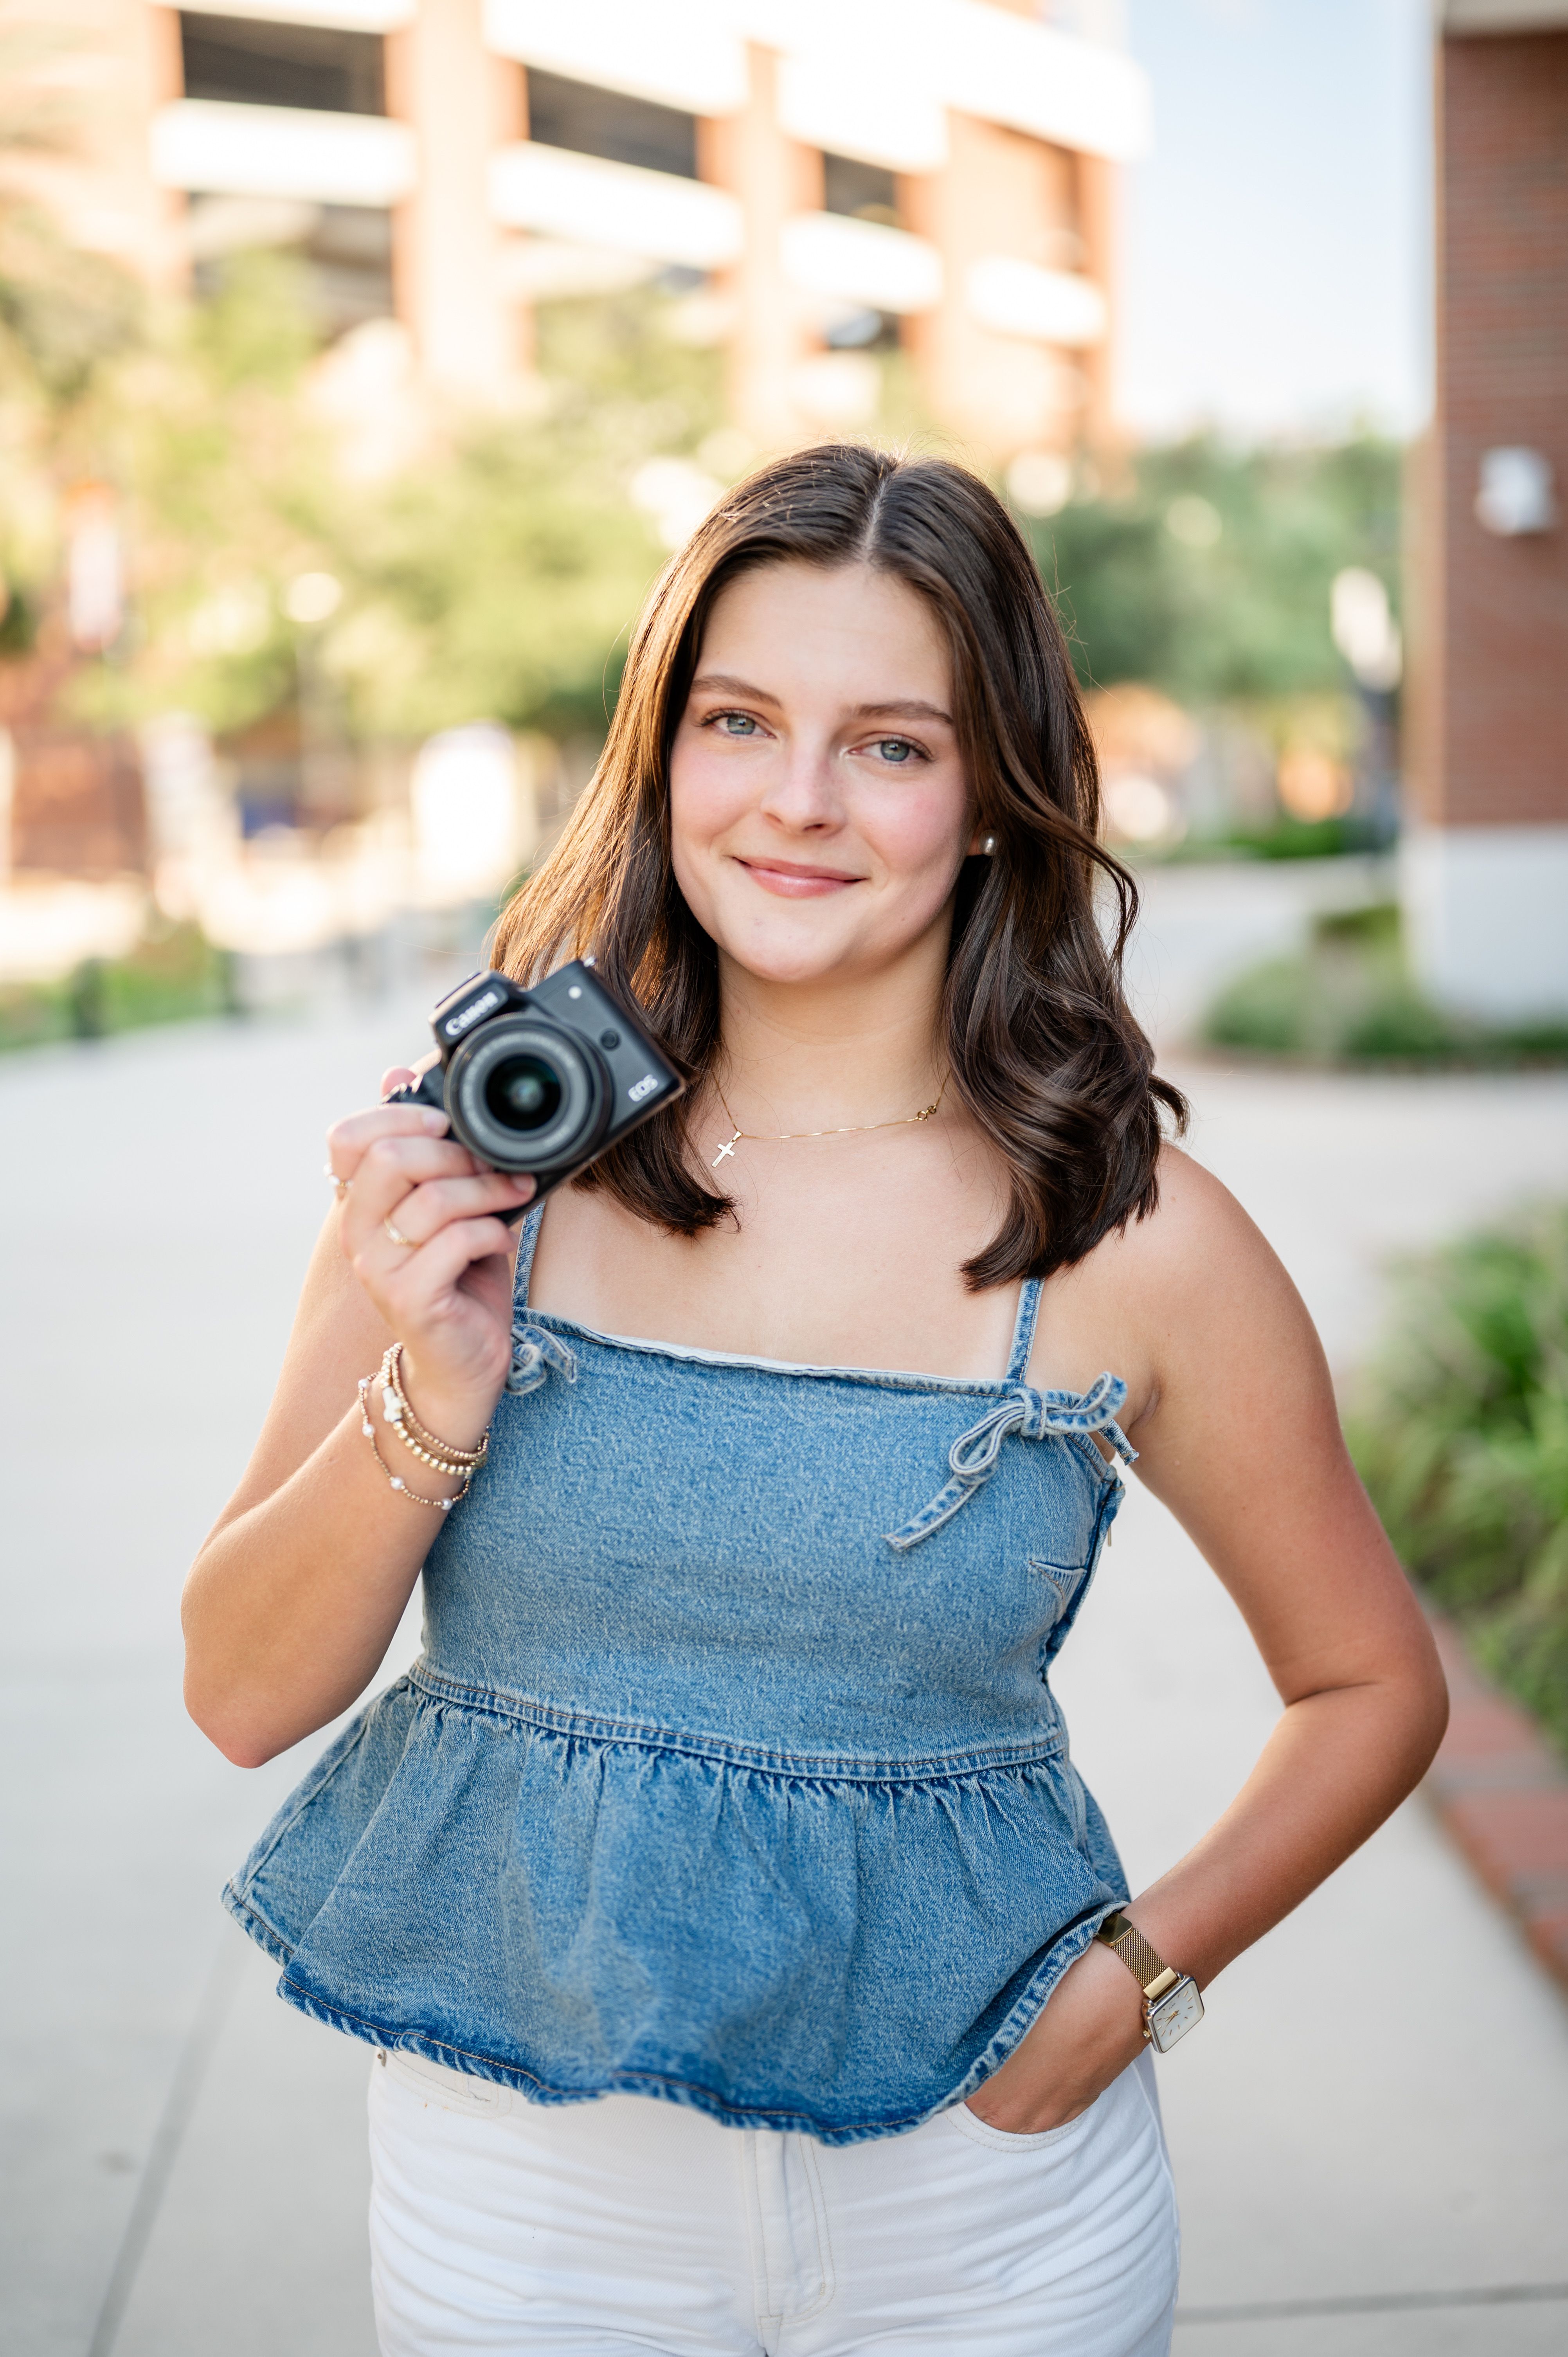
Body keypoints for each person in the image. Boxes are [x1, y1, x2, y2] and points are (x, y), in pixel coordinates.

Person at [183, 444, 1447, 2357]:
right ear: (662, 750)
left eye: (889, 745)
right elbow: (239, 1695)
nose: (797, 800)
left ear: (993, 794)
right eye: (740, 720)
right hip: (531, 2204)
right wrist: (438, 1378)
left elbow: (1370, 1686)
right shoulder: (481, 1171)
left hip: (987, 2203)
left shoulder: (1130, 1234)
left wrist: (1135, 1986)